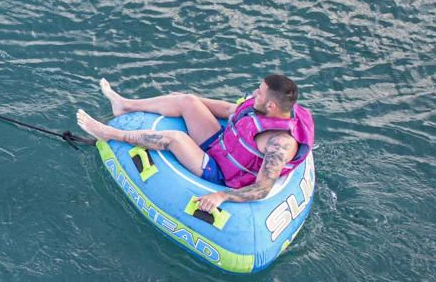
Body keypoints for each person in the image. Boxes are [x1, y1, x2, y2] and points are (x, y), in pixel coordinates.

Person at [75, 73, 315, 211]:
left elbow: (262, 189)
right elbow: (232, 110)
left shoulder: (279, 144)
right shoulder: (264, 108)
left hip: (220, 173)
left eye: (259, 92)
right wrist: (189, 101)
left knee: (176, 138)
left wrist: (222, 196)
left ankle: (110, 134)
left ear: (272, 106)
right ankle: (124, 104)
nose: (254, 93)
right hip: (221, 145)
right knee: (187, 101)